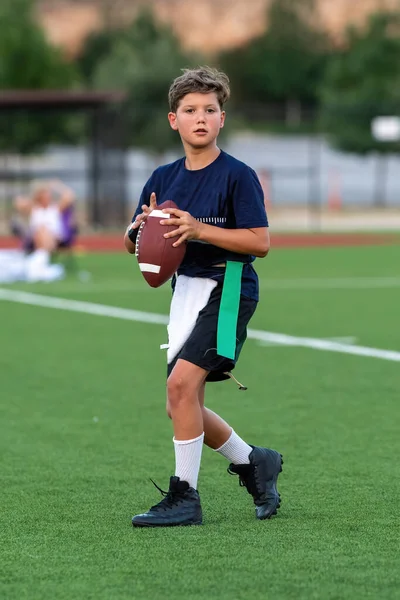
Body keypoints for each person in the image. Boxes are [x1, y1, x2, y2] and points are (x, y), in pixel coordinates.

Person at [124, 66, 283, 528]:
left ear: (221, 118)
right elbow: (139, 246)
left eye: (209, 110)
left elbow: (260, 243)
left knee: (180, 388)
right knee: (180, 401)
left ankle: (185, 497)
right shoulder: (163, 175)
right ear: (173, 120)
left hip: (229, 285)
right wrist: (136, 231)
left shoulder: (237, 175)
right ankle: (255, 461)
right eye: (190, 110)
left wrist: (200, 229)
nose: (200, 118)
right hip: (187, 290)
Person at [12, 180, 76, 281]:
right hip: (35, 239)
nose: (47, 197)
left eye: (48, 195)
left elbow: (69, 196)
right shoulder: (34, 209)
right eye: (44, 195)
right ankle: (42, 265)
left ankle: (39, 265)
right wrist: (33, 193)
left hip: (55, 239)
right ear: (39, 197)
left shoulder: (56, 208)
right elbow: (18, 203)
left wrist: (56, 185)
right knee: (41, 230)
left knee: (44, 230)